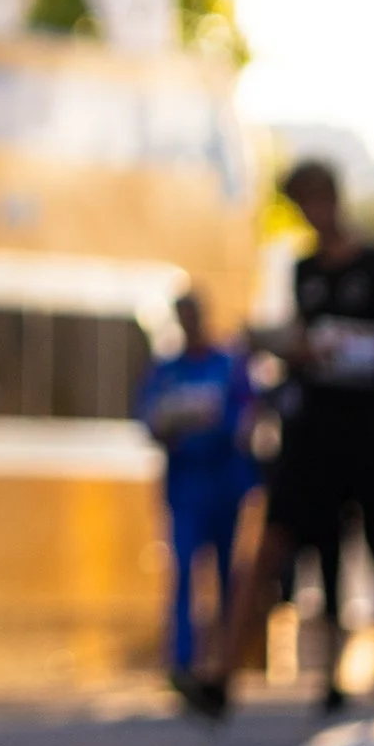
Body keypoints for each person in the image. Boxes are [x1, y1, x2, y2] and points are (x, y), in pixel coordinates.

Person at [219, 161, 374, 714]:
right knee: (292, 540)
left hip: (364, 421)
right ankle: (225, 673)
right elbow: (297, 338)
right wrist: (289, 348)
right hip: (313, 426)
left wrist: (346, 348)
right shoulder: (304, 269)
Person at [136, 287, 256, 713]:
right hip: (185, 486)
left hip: (225, 484)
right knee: (184, 571)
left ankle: (224, 664)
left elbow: (246, 417)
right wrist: (172, 420)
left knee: (228, 575)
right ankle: (182, 663)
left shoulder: (228, 365)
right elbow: (148, 420)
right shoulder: (166, 370)